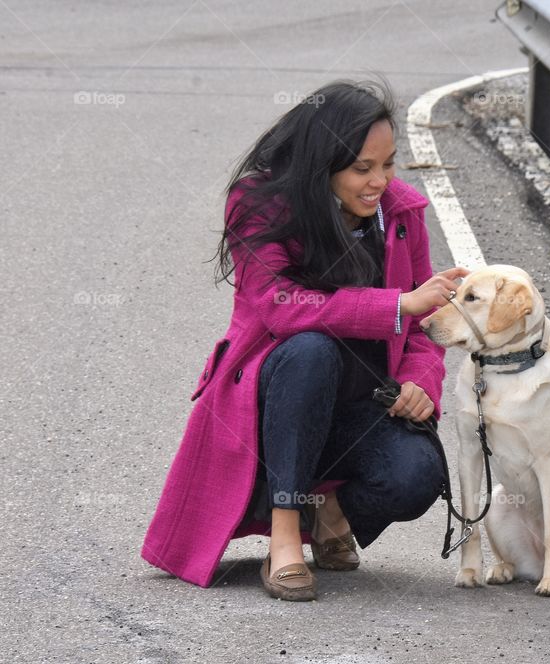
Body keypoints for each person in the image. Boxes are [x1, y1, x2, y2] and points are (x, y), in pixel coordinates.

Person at [141, 79, 468, 601]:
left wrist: (418, 380)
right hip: (274, 408)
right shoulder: (259, 204)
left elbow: (426, 326)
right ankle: (286, 532)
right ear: (323, 164)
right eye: (362, 168)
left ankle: (330, 513)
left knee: (416, 474)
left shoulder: (401, 214)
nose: (379, 181)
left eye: (387, 165)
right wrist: (396, 305)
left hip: (360, 405)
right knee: (311, 351)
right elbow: (280, 306)